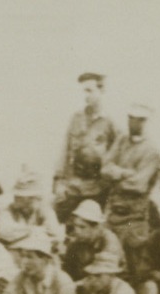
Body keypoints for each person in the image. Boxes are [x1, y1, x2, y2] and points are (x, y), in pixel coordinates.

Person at [101, 102, 160, 289]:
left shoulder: (151, 151)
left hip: (134, 218)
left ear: (146, 122)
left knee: (136, 267)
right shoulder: (121, 140)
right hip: (114, 213)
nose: (135, 123)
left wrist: (116, 174)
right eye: (132, 119)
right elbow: (104, 168)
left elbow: (138, 184)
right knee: (109, 259)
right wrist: (125, 172)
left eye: (140, 120)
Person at [54, 71, 120, 222]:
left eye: (90, 90)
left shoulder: (109, 122)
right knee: (62, 220)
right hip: (74, 185)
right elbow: (65, 151)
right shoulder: (76, 119)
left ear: (101, 90)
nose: (86, 95)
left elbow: (118, 154)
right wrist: (59, 181)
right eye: (84, 91)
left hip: (97, 189)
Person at [0, 172, 66, 251]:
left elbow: (56, 235)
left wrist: (23, 232)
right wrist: (33, 230)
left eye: (33, 198)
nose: (16, 198)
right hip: (15, 250)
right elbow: (3, 233)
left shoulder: (44, 210)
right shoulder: (8, 210)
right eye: (18, 196)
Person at [63, 199, 125, 282]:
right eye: (75, 226)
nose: (77, 231)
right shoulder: (79, 241)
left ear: (96, 227)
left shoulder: (110, 243)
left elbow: (104, 277)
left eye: (82, 227)